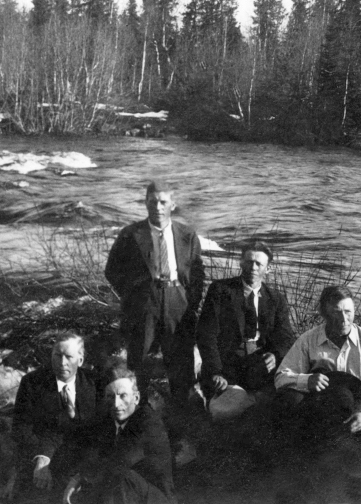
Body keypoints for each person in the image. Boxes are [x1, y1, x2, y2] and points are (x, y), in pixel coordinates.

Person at [104, 181, 205, 404]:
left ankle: (181, 410)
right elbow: (112, 270)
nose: (157, 207)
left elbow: (197, 274)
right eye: (152, 202)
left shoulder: (187, 235)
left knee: (180, 358)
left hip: (177, 299)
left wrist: (190, 302)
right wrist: (133, 296)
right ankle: (134, 410)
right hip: (144, 301)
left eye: (163, 202)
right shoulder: (131, 234)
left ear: (173, 204)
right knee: (138, 357)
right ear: (145, 203)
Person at [273, 284, 361, 446]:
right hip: (318, 408)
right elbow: (281, 377)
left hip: (356, 408)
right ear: (323, 313)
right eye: (337, 312)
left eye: (348, 312)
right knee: (287, 405)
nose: (344, 320)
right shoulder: (308, 339)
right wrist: (306, 380)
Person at [196, 241, 295, 415]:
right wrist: (215, 372)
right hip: (226, 366)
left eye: (259, 264)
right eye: (249, 262)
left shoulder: (275, 299)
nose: (253, 267)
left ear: (268, 269)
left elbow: (285, 337)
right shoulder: (220, 290)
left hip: (260, 367)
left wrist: (276, 354)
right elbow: (206, 334)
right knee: (223, 412)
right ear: (241, 263)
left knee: (286, 403)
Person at [57, 363, 175, 504]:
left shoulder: (148, 420)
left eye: (123, 396)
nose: (116, 404)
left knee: (121, 476)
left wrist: (80, 477)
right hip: (120, 493)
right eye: (110, 397)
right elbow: (88, 451)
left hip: (153, 498)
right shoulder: (107, 421)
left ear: (136, 398)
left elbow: (123, 459)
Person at [11, 332, 99, 500]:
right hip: (43, 456)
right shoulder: (32, 383)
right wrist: (41, 457)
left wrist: (85, 470)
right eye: (57, 356)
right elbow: (21, 427)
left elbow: (102, 430)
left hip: (84, 458)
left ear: (80, 360)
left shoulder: (96, 383)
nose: (62, 363)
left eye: (69, 357)